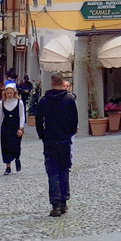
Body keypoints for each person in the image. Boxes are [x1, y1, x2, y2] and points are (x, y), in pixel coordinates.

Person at [33, 72, 79, 216]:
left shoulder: (44, 101)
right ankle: (64, 201)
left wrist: (43, 136)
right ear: (62, 82)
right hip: (64, 140)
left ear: (51, 83)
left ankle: (55, 204)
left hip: (50, 140)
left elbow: (38, 121)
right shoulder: (69, 100)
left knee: (52, 172)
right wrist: (69, 134)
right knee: (64, 170)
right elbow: (75, 121)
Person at [0, 84, 25, 174]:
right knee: (5, 146)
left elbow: (22, 116)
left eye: (11, 93)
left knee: (15, 145)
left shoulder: (19, 102)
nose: (9, 94)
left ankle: (17, 158)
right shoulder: (2, 103)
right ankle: (8, 166)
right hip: (6, 126)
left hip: (15, 126)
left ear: (14, 92)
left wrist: (21, 128)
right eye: (7, 93)